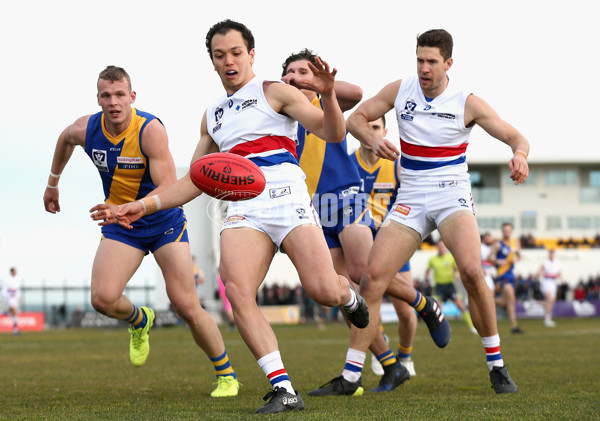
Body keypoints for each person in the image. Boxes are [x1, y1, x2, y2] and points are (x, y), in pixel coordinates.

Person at [115, 20, 369, 414]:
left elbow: (332, 133)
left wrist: (330, 94)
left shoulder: (275, 92)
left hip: (287, 196)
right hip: (243, 207)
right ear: (212, 62)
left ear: (251, 54)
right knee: (237, 291)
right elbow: (193, 180)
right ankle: (283, 388)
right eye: (220, 55)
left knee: (323, 290)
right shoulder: (212, 116)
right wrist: (143, 204)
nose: (229, 61)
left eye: (236, 53)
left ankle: (348, 295)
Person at [344, 28, 529, 394]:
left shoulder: (467, 102)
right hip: (411, 195)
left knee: (473, 272)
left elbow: (516, 137)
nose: (424, 68)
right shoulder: (401, 90)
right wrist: (373, 139)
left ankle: (497, 365)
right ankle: (351, 377)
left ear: (448, 63)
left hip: (451, 195)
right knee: (370, 280)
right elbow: (354, 119)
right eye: (419, 60)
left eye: (431, 61)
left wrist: (520, 156)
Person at [43, 65, 240, 398]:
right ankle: (140, 320)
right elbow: (64, 139)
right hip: (122, 227)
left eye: (120, 94)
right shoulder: (86, 128)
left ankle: (227, 375)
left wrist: (123, 208)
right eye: (106, 95)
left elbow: (166, 186)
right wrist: (52, 184)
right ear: (98, 99)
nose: (113, 102)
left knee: (185, 304)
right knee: (102, 299)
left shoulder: (149, 130)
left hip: (163, 222)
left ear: (132, 97)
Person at [281, 49, 413, 394]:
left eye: (303, 71)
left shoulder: (328, 103)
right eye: (290, 72)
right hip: (314, 210)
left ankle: (423, 305)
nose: (296, 76)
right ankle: (390, 365)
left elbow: (355, 93)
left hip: (347, 197)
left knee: (364, 275)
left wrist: (322, 85)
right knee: (343, 295)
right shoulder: (281, 118)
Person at [349, 115, 418, 377]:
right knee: (366, 303)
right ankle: (382, 347)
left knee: (405, 309)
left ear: (385, 131)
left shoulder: (397, 164)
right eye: (367, 128)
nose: (371, 133)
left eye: (376, 127)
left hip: (393, 244)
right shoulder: (347, 164)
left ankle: (406, 353)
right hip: (361, 246)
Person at [425, 240, 478, 334]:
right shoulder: (432, 259)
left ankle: (472, 326)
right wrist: (427, 279)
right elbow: (428, 271)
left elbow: (456, 269)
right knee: (437, 309)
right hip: (439, 287)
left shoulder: (450, 257)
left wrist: (456, 274)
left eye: (442, 246)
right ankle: (439, 330)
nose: (441, 248)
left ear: (445, 247)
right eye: (439, 246)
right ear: (437, 247)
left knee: (460, 306)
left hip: (450, 286)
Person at [489, 222, 523, 334]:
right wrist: (498, 261)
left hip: (511, 274)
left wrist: (516, 260)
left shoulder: (515, 243)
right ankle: (514, 325)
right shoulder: (498, 244)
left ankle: (488, 301)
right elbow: (489, 258)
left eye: (508, 230)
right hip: (502, 274)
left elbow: (520, 256)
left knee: (508, 301)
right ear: (502, 231)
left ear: (511, 231)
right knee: (511, 296)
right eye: (505, 230)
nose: (506, 232)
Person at [537, 249, 561, 327]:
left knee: (551, 302)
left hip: (553, 283)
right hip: (546, 282)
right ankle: (547, 319)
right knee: (549, 299)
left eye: (553, 254)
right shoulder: (545, 263)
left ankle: (537, 303)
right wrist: (545, 274)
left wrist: (558, 277)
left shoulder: (557, 263)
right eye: (550, 254)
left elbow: (559, 274)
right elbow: (538, 272)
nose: (551, 255)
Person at [1, 267, 21, 335]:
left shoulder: (17, 280)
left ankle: (15, 330)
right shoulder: (7, 280)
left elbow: (17, 290)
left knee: (14, 315)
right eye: (15, 271)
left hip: (14, 299)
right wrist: (8, 296)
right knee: (15, 313)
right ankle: (15, 330)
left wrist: (18, 296)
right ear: (12, 272)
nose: (16, 272)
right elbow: (4, 290)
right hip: (9, 299)